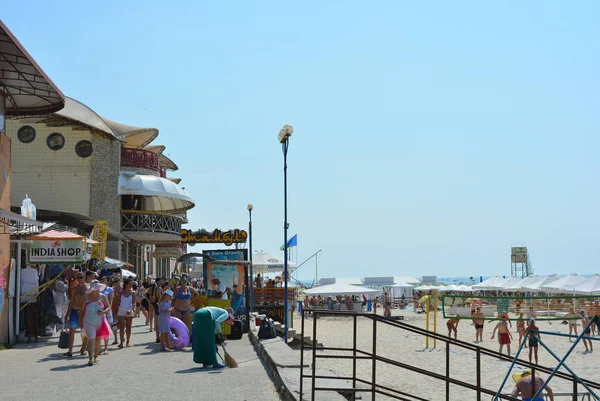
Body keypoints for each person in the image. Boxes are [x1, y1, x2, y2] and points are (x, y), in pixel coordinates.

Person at [80, 280, 111, 366]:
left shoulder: (103, 297)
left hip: (100, 321)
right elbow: (82, 311)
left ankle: (95, 356)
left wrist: (104, 312)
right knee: (91, 338)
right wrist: (80, 323)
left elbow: (108, 307)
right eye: (96, 288)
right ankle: (90, 359)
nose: (98, 290)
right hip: (88, 321)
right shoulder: (85, 298)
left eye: (98, 288)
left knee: (98, 339)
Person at [64, 272, 87, 357]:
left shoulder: (88, 288)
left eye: (81, 277)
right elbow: (71, 301)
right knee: (71, 331)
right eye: (78, 277)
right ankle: (70, 351)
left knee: (84, 331)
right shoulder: (74, 288)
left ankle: (84, 349)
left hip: (84, 312)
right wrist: (67, 313)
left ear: (84, 277)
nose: (79, 279)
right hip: (74, 310)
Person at [117, 278, 136, 348]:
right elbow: (118, 302)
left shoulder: (133, 293)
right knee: (121, 327)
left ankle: (128, 341)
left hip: (129, 311)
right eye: (129, 284)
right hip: (121, 310)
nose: (131, 285)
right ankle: (121, 342)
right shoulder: (121, 292)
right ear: (126, 284)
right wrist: (115, 311)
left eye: (131, 284)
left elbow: (134, 303)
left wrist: (130, 310)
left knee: (128, 326)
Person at [99, 276, 114, 355]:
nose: (102, 280)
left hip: (106, 310)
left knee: (106, 329)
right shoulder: (98, 289)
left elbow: (110, 301)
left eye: (104, 279)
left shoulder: (110, 289)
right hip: (99, 311)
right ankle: (99, 348)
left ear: (107, 281)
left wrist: (108, 311)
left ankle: (106, 348)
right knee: (99, 329)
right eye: (101, 279)